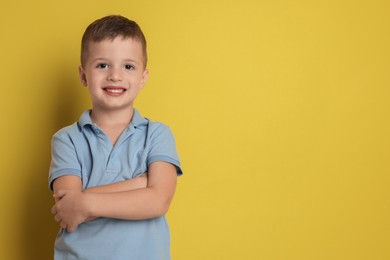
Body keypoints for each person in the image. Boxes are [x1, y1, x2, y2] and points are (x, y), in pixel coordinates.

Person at [49, 15, 182, 260]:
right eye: (102, 65)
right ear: (83, 75)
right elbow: (68, 211)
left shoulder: (157, 134)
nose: (115, 76)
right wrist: (141, 183)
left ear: (143, 77)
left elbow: (158, 201)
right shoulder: (65, 139)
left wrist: (85, 202)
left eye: (128, 66)